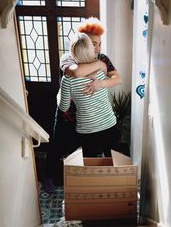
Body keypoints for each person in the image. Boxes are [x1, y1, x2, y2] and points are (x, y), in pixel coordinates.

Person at [43, 17, 120, 192]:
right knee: (59, 145)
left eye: (100, 44)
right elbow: (76, 72)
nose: (98, 49)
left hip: (86, 118)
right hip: (68, 116)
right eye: (94, 44)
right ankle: (50, 176)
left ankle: (90, 187)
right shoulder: (68, 58)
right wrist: (99, 66)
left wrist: (99, 82)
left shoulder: (101, 58)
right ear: (83, 41)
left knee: (90, 153)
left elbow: (117, 78)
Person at [59, 33, 118, 158]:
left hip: (87, 130)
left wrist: (59, 93)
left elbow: (63, 108)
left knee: (90, 168)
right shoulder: (101, 69)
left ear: (73, 52)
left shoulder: (68, 79)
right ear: (90, 48)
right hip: (109, 124)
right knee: (112, 163)